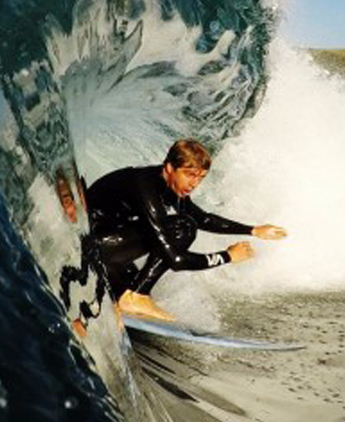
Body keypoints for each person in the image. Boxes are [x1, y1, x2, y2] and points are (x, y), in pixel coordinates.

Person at [61, 139, 286, 326]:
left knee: (182, 228)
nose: (194, 183)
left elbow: (203, 218)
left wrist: (253, 230)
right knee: (182, 227)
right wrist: (227, 256)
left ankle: (124, 299)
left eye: (200, 177)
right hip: (91, 247)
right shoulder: (145, 186)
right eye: (189, 174)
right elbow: (175, 260)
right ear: (169, 168)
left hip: (105, 247)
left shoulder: (168, 187)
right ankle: (135, 297)